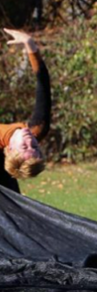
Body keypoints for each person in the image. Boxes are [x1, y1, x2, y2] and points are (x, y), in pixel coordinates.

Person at [0, 29, 51, 193]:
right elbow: (43, 85)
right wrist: (30, 45)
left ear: (9, 151)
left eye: (24, 146)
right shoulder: (37, 130)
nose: (30, 140)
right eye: (35, 147)